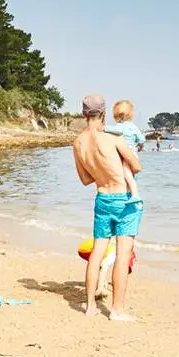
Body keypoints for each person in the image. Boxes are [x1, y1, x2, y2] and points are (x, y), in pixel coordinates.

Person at [72, 95, 143, 320]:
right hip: (123, 200)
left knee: (97, 254)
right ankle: (117, 310)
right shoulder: (113, 139)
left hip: (102, 199)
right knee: (123, 255)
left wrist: (100, 170)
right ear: (103, 114)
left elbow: (85, 179)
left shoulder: (78, 143)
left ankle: (91, 306)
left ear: (84, 115)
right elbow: (137, 166)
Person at [106, 99, 144, 206]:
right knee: (131, 177)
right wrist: (140, 146)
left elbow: (106, 129)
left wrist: (100, 128)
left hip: (126, 156)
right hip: (133, 155)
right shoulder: (133, 127)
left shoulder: (117, 128)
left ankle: (135, 195)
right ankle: (130, 195)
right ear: (131, 114)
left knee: (126, 174)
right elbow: (141, 139)